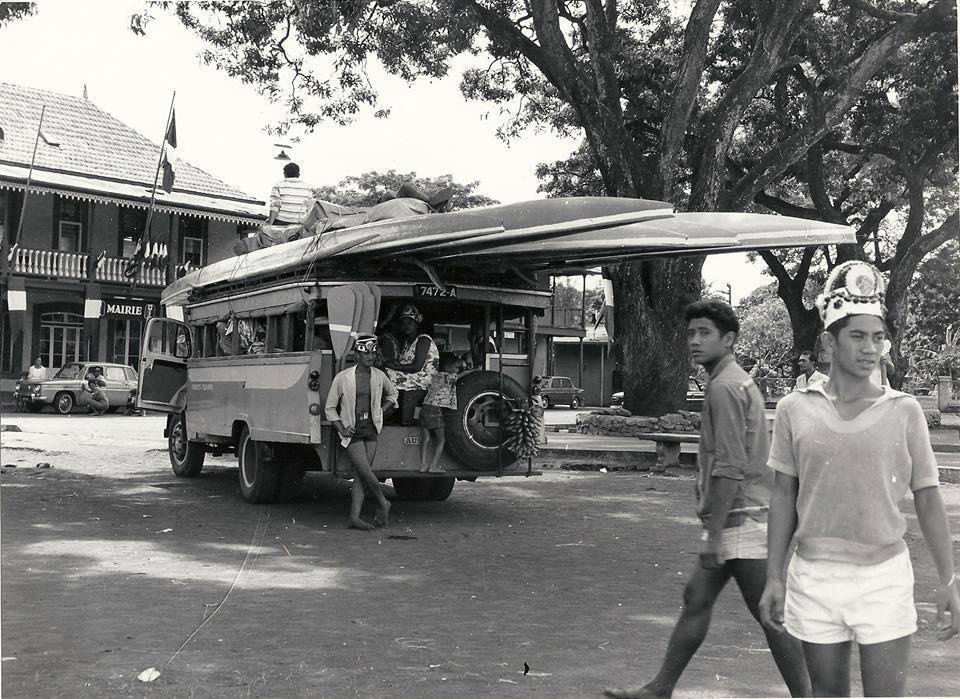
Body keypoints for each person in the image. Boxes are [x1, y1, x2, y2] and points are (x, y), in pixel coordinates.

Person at [759, 260, 960, 697]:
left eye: (878, 337)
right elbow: (783, 495)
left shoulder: (904, 411)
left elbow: (927, 495)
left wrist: (948, 578)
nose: (870, 348)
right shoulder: (796, 408)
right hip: (813, 577)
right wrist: (774, 575)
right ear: (830, 343)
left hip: (883, 578)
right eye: (857, 336)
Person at [605, 300, 809, 699]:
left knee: (770, 616)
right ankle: (659, 689)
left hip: (743, 520)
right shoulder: (732, 380)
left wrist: (714, 535)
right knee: (696, 598)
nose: (694, 342)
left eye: (704, 334)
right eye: (690, 333)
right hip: (741, 516)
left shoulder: (724, 386)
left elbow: (730, 464)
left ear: (728, 340)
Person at [325, 334, 398, 531]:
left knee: (361, 475)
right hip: (353, 432)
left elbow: (393, 394)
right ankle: (383, 502)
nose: (370, 357)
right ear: (357, 354)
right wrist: (341, 428)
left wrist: (381, 410)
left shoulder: (379, 376)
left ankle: (354, 517)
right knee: (365, 471)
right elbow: (330, 408)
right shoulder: (343, 378)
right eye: (366, 353)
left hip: (371, 429)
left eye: (373, 353)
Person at [381, 305, 439, 426]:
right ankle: (388, 408)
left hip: (423, 379)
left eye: (409, 323)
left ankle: (385, 410)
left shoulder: (423, 339)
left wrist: (393, 366)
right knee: (383, 372)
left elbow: (417, 366)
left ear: (416, 324)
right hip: (412, 375)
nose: (405, 326)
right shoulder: (408, 342)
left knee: (385, 373)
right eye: (403, 323)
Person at [419, 352, 459, 474]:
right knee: (441, 440)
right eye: (456, 367)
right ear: (447, 367)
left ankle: (423, 465)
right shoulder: (446, 376)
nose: (457, 370)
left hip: (424, 409)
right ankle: (434, 466)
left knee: (426, 438)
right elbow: (460, 376)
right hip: (435, 410)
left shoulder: (436, 376)